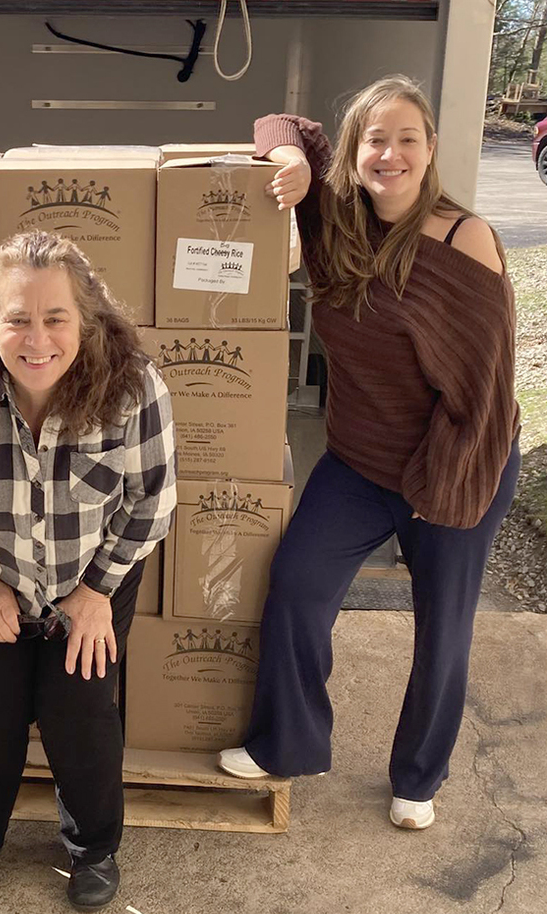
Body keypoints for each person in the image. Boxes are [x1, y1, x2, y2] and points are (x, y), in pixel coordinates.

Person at [218, 76, 520, 832]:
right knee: (296, 586)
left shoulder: (463, 238)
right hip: (358, 461)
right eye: (373, 140)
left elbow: (484, 395)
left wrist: (438, 491)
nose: (389, 154)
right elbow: (281, 119)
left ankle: (419, 775)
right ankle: (285, 741)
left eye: (406, 139)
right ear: (354, 154)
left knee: (442, 622)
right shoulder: (335, 224)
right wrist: (287, 155)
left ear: (430, 151)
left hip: (460, 458)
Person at [0, 231, 176, 911]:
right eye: (17, 318)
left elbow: (154, 499)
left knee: (79, 710)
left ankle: (94, 847)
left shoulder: (134, 388)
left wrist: (97, 590)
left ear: (88, 318)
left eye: (56, 318)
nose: (37, 338)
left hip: (93, 577)